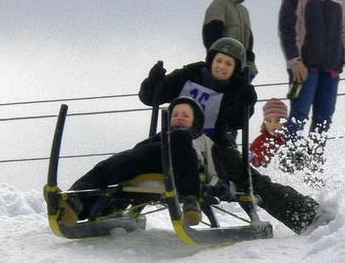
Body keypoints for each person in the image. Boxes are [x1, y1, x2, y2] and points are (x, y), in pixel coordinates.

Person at [139, 37, 320, 234]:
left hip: (215, 146)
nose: (221, 67)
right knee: (134, 159)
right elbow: (150, 97)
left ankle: (307, 214)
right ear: (210, 60)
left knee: (251, 181)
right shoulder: (189, 74)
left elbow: (235, 123)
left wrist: (246, 104)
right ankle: (106, 209)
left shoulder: (236, 88)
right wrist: (153, 82)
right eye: (218, 61)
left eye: (228, 63)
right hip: (173, 139)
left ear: (236, 68)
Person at [68, 96, 231, 226]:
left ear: (195, 121)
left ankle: (190, 201)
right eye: (175, 115)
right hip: (152, 162)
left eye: (186, 115)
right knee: (112, 164)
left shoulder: (203, 140)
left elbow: (217, 174)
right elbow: (134, 155)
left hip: (183, 168)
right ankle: (75, 201)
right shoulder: (156, 139)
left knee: (180, 136)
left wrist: (210, 190)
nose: (179, 118)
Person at [277, 0, 345, 174]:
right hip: (305, 65)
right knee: (299, 114)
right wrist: (294, 60)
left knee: (323, 119)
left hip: (331, 67)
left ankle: (314, 167)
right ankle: (288, 165)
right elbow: (287, 25)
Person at [203, 0, 258, 78]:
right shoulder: (218, 4)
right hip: (225, 64)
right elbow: (211, 33)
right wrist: (220, 56)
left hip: (241, 64)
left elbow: (249, 37)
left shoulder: (243, 10)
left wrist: (250, 58)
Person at [249, 98, 288, 168]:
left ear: (284, 122)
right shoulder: (258, 144)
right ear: (264, 123)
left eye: (278, 120)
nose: (273, 125)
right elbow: (249, 162)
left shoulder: (288, 141)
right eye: (269, 121)